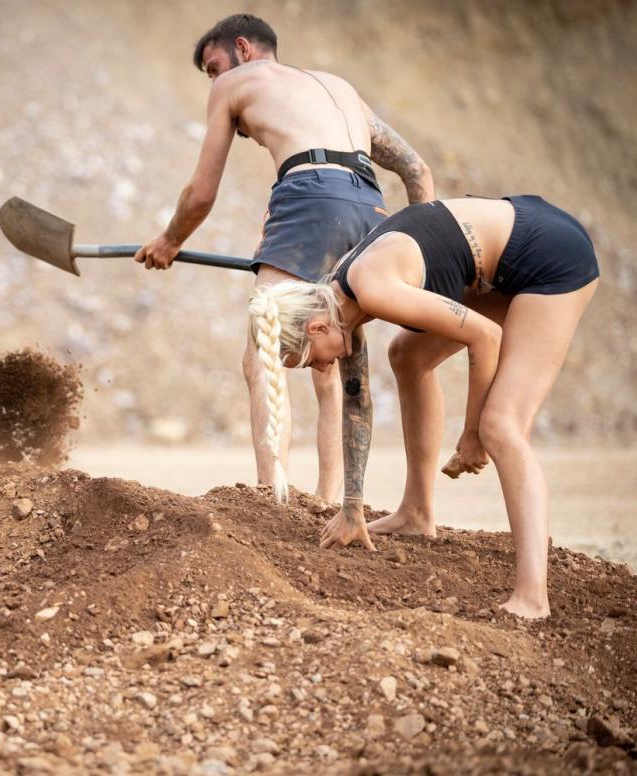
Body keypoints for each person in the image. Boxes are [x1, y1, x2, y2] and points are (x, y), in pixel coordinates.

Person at [247, 195, 599, 618]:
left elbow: (485, 337)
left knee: (500, 427)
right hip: (502, 265)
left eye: (308, 359)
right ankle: (416, 512)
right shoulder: (340, 302)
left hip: (549, 255)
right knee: (407, 356)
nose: (318, 367)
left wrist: (471, 436)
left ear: (317, 327)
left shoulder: (372, 289)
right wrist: (352, 508)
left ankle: (532, 597)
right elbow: (357, 403)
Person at [135, 13, 434, 501]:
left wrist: (169, 240)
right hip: (370, 208)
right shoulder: (338, 87)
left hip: (307, 195)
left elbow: (201, 194)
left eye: (213, 67)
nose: (215, 79)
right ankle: (332, 499)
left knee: (264, 350)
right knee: (334, 352)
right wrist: (421, 254)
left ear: (243, 49)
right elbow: (416, 169)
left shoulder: (235, 84)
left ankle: (270, 496)